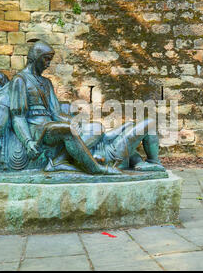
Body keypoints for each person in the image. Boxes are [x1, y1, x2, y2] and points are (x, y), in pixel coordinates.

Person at [9, 40, 121, 175]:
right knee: (67, 129)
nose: (48, 64)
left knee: (96, 127)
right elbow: (18, 116)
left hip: (51, 125)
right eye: (46, 59)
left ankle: (58, 162)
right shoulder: (20, 80)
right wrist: (28, 142)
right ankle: (96, 168)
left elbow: (56, 112)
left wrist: (75, 120)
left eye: (49, 60)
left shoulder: (46, 82)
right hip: (36, 130)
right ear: (35, 57)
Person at [80, 119, 166, 172]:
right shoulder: (73, 137)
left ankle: (138, 163)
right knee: (150, 123)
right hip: (113, 156)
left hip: (111, 148)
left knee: (132, 125)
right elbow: (84, 149)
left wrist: (125, 125)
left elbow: (107, 136)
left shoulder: (77, 131)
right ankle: (153, 161)